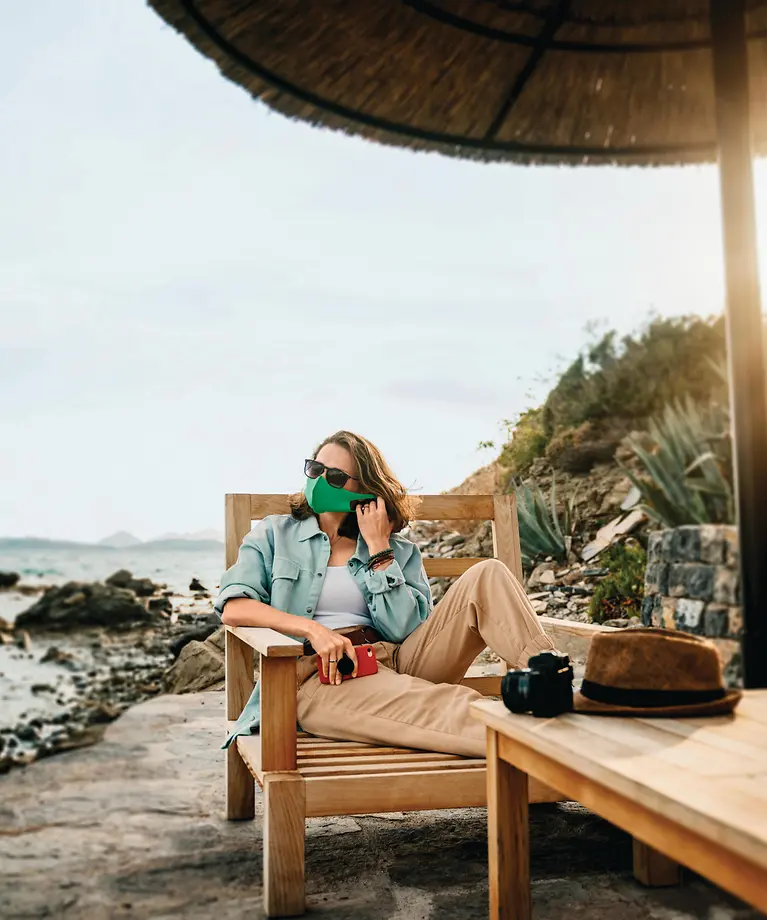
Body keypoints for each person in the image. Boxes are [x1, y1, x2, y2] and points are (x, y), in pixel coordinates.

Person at [217, 430, 556, 757]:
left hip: (400, 659)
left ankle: (555, 684)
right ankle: (551, 738)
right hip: (327, 674)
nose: (318, 481)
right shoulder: (276, 534)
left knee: (488, 573)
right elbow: (234, 607)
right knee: (436, 706)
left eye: (334, 477)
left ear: (365, 491)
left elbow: (406, 630)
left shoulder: (397, 549)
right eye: (314, 469)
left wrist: (379, 551)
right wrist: (312, 630)